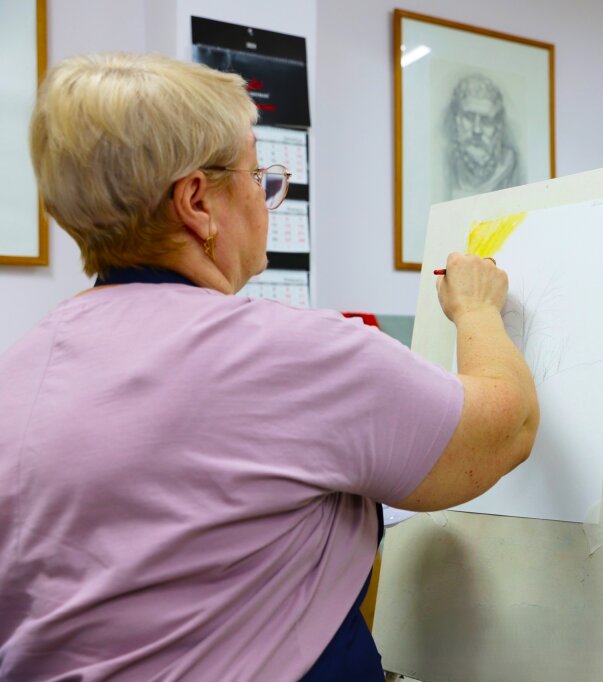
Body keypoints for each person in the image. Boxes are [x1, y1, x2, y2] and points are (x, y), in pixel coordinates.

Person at [0, 53, 539, 681]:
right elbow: (506, 427)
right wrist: (476, 311)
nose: (266, 198)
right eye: (257, 177)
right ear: (197, 202)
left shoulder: (23, 368)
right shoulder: (293, 353)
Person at [445, 74, 522, 200]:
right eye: (469, 117)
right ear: (457, 120)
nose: (477, 130)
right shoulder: (444, 163)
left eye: (486, 121)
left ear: (498, 127)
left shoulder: (510, 165)